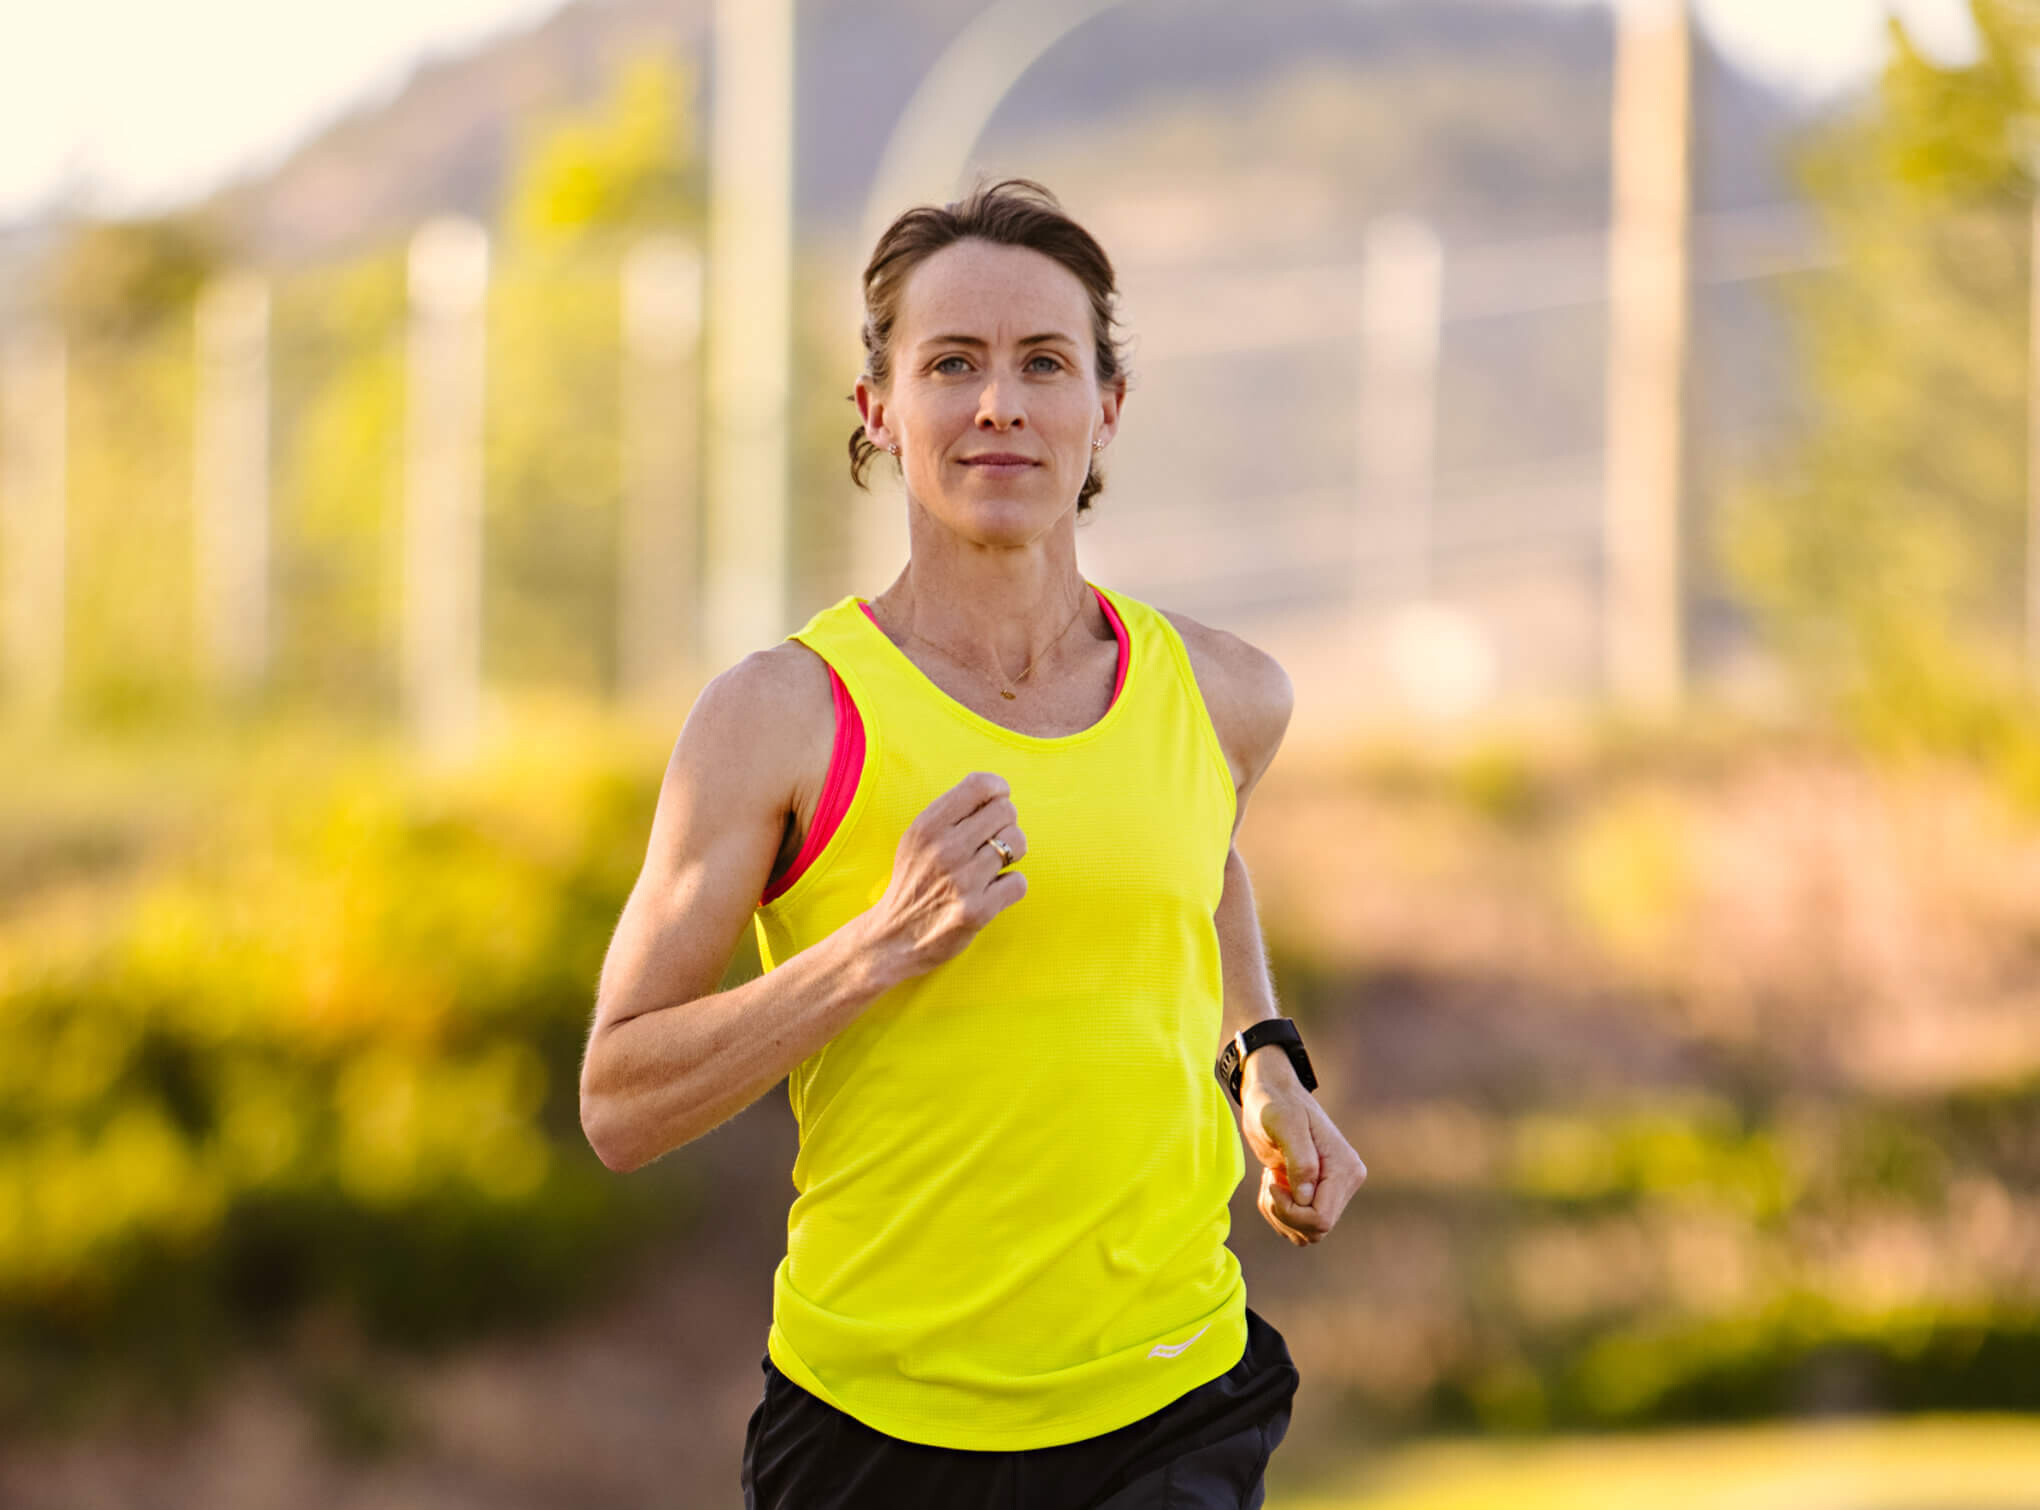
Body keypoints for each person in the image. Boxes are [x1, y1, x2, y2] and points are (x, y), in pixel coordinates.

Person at [580, 177, 1366, 1508]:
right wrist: (878, 947)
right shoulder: (780, 717)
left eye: (1044, 362)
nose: (999, 401)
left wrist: (1265, 1056)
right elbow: (618, 1102)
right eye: (952, 363)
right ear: (878, 409)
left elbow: (1196, 860)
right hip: (873, 1427)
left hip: (1169, 1400)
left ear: (1107, 406)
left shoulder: (1227, 696)